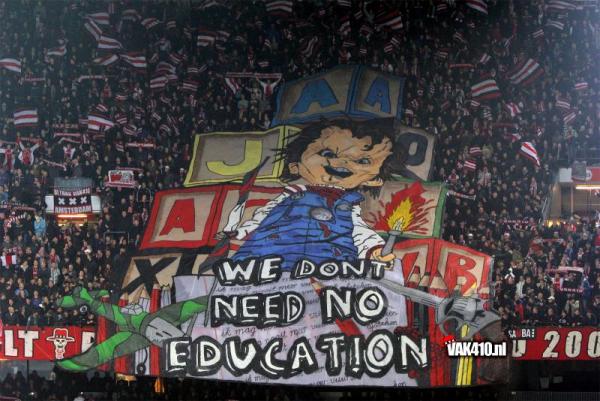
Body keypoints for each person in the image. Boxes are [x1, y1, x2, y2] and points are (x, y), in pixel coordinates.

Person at [222, 118, 405, 270]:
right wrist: (240, 231)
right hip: (272, 255)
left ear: (375, 180)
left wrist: (374, 249)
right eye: (328, 153)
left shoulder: (349, 204)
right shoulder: (294, 194)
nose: (343, 162)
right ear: (295, 166)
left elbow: (359, 231)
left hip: (327, 262)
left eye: (363, 161)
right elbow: (264, 216)